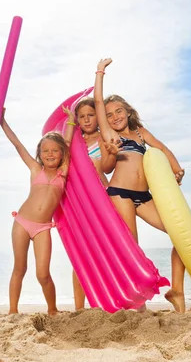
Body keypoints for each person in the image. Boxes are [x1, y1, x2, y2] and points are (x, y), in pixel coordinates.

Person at [93, 58, 187, 313]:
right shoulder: (112, 136)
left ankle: (176, 290)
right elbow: (98, 103)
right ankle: (138, 302)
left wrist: (177, 170)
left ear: (128, 111)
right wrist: (100, 72)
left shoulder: (141, 133)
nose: (114, 117)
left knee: (181, 236)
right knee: (131, 246)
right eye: (110, 115)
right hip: (120, 194)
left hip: (144, 196)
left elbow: (163, 149)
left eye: (119, 111)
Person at [0, 107, 75, 315]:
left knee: (43, 274)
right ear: (40, 154)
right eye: (45, 151)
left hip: (43, 227)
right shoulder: (35, 169)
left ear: (61, 154)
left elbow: (67, 144)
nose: (50, 154)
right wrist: (2, 121)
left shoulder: (63, 172)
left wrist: (70, 122)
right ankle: (13, 311)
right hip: (22, 223)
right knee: (19, 268)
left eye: (55, 150)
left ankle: (53, 310)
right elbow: (17, 145)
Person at [70, 97, 115, 310]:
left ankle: (110, 301)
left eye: (90, 115)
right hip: (81, 201)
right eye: (82, 117)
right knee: (81, 255)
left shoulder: (103, 138)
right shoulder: (73, 141)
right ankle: (80, 309)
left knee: (107, 252)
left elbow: (106, 168)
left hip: (103, 198)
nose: (87, 120)